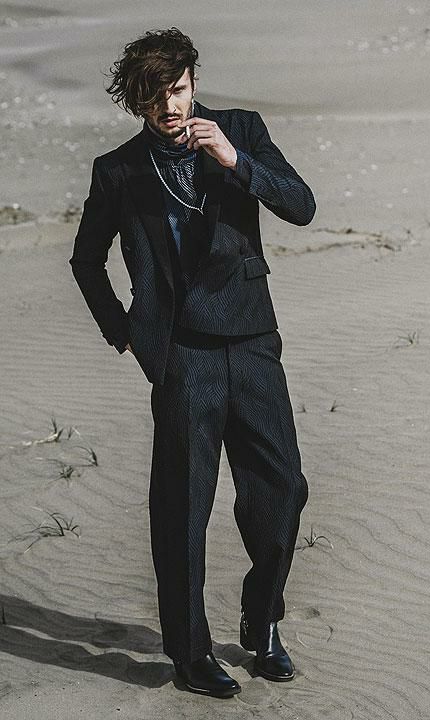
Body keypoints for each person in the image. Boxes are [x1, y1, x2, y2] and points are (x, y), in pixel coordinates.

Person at [69, 27, 316, 699]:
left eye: (177, 91)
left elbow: (301, 206)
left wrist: (236, 160)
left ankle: (263, 622)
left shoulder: (242, 130)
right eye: (154, 98)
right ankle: (189, 654)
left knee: (283, 489)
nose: (169, 108)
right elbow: (86, 260)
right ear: (138, 103)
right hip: (181, 354)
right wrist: (124, 331)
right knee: (182, 509)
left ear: (194, 83)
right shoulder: (118, 171)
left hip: (253, 339)